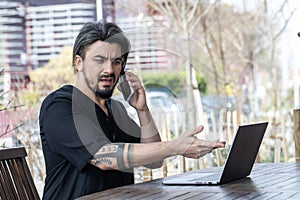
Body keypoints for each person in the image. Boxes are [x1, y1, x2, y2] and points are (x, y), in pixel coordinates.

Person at [39, 20, 226, 199]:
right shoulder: (59, 106)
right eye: (100, 60)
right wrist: (174, 147)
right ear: (78, 62)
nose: (109, 70)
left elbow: (153, 160)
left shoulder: (115, 109)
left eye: (117, 62)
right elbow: (104, 157)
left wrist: (142, 110)